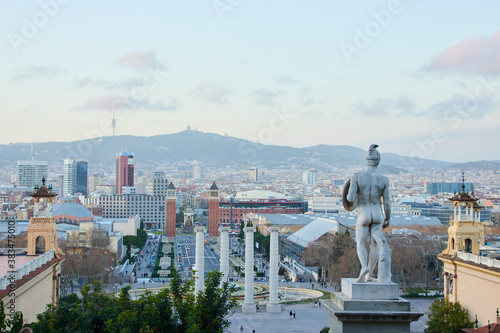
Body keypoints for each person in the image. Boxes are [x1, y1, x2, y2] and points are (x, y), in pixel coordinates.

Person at [344, 144, 391, 283]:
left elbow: (350, 199)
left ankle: (364, 267)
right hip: (378, 215)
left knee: (360, 243)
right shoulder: (384, 180)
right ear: (378, 161)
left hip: (363, 214)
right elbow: (387, 202)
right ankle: (370, 274)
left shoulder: (357, 176)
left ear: (366, 161)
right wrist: (388, 217)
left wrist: (350, 192)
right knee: (374, 246)